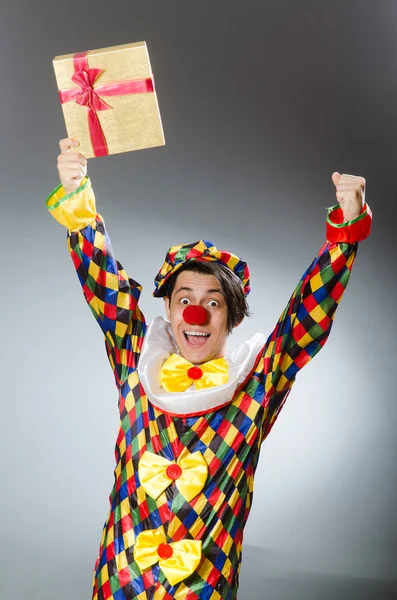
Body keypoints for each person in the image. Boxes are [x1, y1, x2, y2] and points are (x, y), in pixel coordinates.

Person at [46, 137, 372, 600]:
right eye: (185, 301)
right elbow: (105, 286)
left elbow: (307, 318)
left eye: (212, 303)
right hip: (118, 584)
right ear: (170, 309)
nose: (196, 316)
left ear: (232, 317)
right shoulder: (138, 359)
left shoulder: (255, 383)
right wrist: (78, 196)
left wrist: (345, 233)